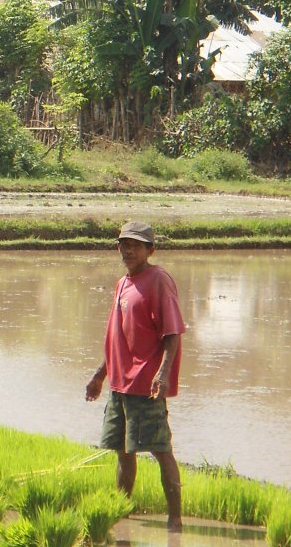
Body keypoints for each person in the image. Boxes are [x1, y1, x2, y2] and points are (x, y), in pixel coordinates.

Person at [85, 220, 186, 531]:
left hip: (145, 384)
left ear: (150, 250)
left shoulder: (159, 280)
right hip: (119, 384)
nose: (127, 250)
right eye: (123, 245)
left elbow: (172, 333)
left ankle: (175, 520)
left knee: (160, 449)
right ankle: (121, 512)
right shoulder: (122, 283)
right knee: (122, 451)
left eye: (135, 245)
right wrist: (100, 375)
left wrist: (163, 374)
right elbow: (118, 338)